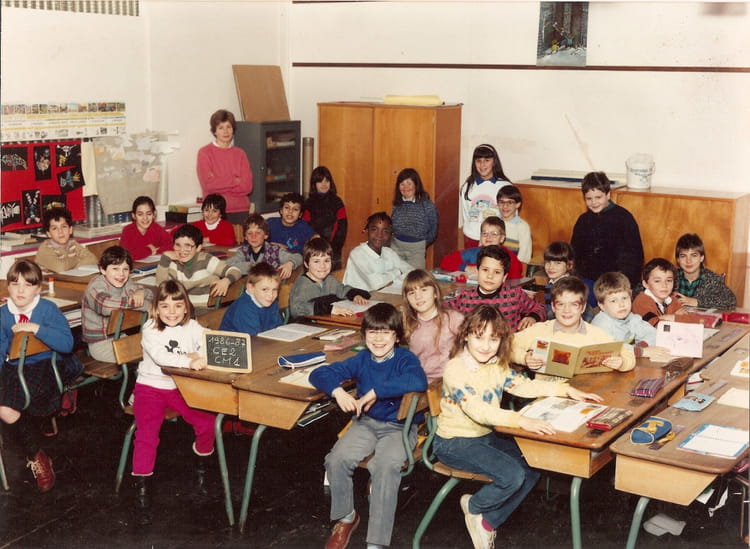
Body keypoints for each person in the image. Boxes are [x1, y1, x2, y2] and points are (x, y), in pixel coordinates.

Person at [434, 305, 602, 549]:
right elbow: (478, 411)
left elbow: (524, 386)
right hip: (453, 442)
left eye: (494, 339)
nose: (486, 346)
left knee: (535, 464)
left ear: (501, 340)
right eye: (479, 337)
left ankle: (486, 521)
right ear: (466, 336)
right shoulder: (456, 369)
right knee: (512, 475)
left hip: (484, 437)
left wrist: (565, 390)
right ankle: (473, 506)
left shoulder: (496, 364)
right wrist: (521, 420)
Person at [309, 303, 428, 549]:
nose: (378, 339)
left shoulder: (405, 358)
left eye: (386, 333)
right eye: (373, 332)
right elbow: (318, 374)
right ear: (364, 336)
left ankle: (376, 542)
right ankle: (346, 517)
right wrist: (337, 391)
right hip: (366, 423)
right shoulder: (362, 358)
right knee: (336, 460)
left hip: (399, 426)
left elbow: (418, 380)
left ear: (397, 336)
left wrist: (376, 391)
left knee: (384, 467)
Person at [131, 279, 216, 525]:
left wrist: (202, 353)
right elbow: (161, 357)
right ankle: (142, 486)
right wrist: (190, 360)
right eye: (165, 306)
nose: (172, 312)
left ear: (186, 308)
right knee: (147, 435)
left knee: (207, 423)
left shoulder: (191, 325)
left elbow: (209, 340)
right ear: (156, 308)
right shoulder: (150, 328)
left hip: (180, 387)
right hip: (150, 387)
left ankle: (201, 463)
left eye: (178, 306)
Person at [0, 260, 75, 492]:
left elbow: (67, 344)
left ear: (38, 289)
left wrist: (36, 329)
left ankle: (35, 453)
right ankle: (38, 455)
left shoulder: (47, 309)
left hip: (45, 366)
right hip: (14, 368)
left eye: (28, 285)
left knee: (11, 405)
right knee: (5, 408)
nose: (20, 290)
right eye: (15, 284)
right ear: (7, 287)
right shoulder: (3, 313)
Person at [512, 276, 635, 372]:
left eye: (574, 305)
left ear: (583, 307)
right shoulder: (540, 330)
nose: (567, 310)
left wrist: (622, 363)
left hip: (587, 390)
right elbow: (507, 346)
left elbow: (627, 355)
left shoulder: (596, 333)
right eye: (561, 304)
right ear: (553, 307)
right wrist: (524, 358)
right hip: (548, 391)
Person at [570, 171, 644, 288]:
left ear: (608, 195)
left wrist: (624, 285)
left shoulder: (624, 218)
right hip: (587, 281)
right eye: (589, 198)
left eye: (598, 197)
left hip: (615, 283)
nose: (594, 202)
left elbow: (634, 258)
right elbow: (575, 253)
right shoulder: (583, 220)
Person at [447, 246, 545, 332]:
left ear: (504, 277)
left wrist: (533, 317)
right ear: (477, 271)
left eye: (497, 272)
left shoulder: (514, 294)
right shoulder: (465, 297)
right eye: (485, 270)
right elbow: (442, 309)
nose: (490, 276)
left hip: (508, 345)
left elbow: (540, 308)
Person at [82, 245, 153, 362]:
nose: (121, 274)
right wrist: (144, 305)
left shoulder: (126, 282)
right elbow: (106, 306)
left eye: (125, 269)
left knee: (158, 350)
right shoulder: (95, 286)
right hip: (101, 345)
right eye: (115, 269)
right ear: (103, 270)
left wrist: (141, 292)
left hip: (122, 337)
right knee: (153, 356)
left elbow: (149, 294)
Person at [155, 224, 242, 308]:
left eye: (188, 246)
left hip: (206, 308)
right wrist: (164, 260)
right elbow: (162, 288)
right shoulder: (174, 263)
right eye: (178, 245)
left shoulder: (205, 260)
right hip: (184, 308)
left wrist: (226, 281)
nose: (182, 250)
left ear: (198, 248)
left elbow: (235, 271)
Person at [591, 272, 671, 361]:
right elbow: (611, 349)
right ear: (601, 306)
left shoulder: (632, 318)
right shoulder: (601, 324)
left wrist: (639, 347)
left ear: (631, 296)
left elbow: (653, 334)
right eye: (613, 301)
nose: (621, 304)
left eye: (624, 298)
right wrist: (642, 352)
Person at [401, 269, 464, 382]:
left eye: (424, 290)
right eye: (411, 293)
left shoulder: (453, 318)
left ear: (435, 293)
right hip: (420, 381)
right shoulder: (408, 323)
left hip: (450, 380)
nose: (418, 296)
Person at [289, 237, 370, 319]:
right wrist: (329, 309)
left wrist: (355, 296)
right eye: (316, 261)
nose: (322, 266)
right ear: (306, 264)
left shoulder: (329, 280)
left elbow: (342, 290)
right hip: (306, 324)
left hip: (327, 320)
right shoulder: (302, 284)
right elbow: (296, 309)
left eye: (327, 261)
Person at [196, 109, 253, 224]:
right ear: (214, 131)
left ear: (233, 129)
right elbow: (208, 185)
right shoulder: (205, 153)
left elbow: (247, 187)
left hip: (240, 211)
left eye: (229, 127)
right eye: (221, 127)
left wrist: (220, 184)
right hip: (215, 212)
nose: (225, 131)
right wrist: (235, 180)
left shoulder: (240, 154)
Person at [342, 211, 413, 292]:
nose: (379, 235)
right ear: (367, 230)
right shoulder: (357, 254)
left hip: (383, 295)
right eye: (374, 229)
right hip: (358, 297)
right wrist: (398, 272)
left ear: (391, 234)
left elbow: (411, 271)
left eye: (385, 231)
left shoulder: (389, 253)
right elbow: (374, 283)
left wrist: (393, 282)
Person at [459, 144, 511, 249]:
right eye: (478, 161)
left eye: (487, 160)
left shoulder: (505, 186)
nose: (482, 165)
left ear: (494, 162)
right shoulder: (467, 186)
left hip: (494, 239)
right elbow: (465, 214)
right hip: (471, 237)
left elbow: (510, 217)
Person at [440, 216, 523, 279]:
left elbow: (516, 272)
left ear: (502, 238)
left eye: (494, 234)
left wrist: (487, 270)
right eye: (484, 233)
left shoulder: (507, 254)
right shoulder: (475, 252)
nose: (488, 237)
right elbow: (446, 261)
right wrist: (467, 267)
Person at [226, 213, 302, 280]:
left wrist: (290, 263)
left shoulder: (275, 251)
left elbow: (299, 257)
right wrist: (252, 266)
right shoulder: (243, 251)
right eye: (249, 233)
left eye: (258, 233)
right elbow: (228, 263)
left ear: (266, 235)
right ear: (245, 237)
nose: (253, 236)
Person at [390, 168, 438, 269]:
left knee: (416, 278)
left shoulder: (427, 204)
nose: (405, 187)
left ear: (416, 185)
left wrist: (421, 243)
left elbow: (433, 229)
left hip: (416, 250)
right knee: (394, 276)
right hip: (396, 248)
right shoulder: (397, 205)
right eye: (402, 184)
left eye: (409, 183)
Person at [674, 233, 737, 310]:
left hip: (701, 317)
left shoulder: (712, 279)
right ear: (678, 259)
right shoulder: (671, 277)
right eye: (683, 256)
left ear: (701, 258)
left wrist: (698, 302)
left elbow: (731, 301)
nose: (688, 261)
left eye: (694, 255)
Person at [303, 166, 348, 270]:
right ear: (314, 184)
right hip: (314, 249)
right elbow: (305, 227)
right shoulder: (308, 203)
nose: (324, 184)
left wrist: (332, 248)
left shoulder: (337, 202)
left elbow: (342, 227)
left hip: (333, 249)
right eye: (320, 181)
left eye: (327, 181)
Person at [219, 262, 283, 336]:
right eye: (265, 289)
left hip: (260, 340)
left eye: (274, 289)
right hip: (238, 342)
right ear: (251, 288)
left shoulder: (272, 303)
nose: (271, 295)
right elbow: (254, 339)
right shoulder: (244, 308)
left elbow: (278, 329)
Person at [541, 241, 596, 321]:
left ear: (569, 265)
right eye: (548, 262)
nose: (551, 267)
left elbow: (587, 312)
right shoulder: (551, 284)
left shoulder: (571, 286)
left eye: (558, 263)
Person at [34, 206, 97, 272]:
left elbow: (93, 260)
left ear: (70, 230)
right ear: (48, 234)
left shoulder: (73, 244)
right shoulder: (45, 249)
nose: (60, 231)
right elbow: (61, 268)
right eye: (54, 228)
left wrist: (71, 265)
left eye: (64, 227)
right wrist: (77, 259)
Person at [632, 258, 686, 326]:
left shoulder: (671, 300)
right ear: (645, 284)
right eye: (657, 281)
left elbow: (691, 319)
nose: (664, 285)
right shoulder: (642, 301)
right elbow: (655, 326)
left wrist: (671, 318)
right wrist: (675, 317)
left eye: (669, 280)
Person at [119, 196, 173, 261]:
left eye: (149, 214)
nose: (145, 218)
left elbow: (172, 246)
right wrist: (149, 249)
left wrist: (154, 250)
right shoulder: (128, 231)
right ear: (134, 216)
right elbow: (126, 255)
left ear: (154, 214)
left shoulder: (156, 228)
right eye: (140, 214)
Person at [496, 185, 531, 264]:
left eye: (510, 202)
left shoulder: (522, 226)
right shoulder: (493, 222)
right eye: (502, 202)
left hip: (514, 266)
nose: (505, 206)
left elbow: (524, 253)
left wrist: (514, 266)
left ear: (517, 204)